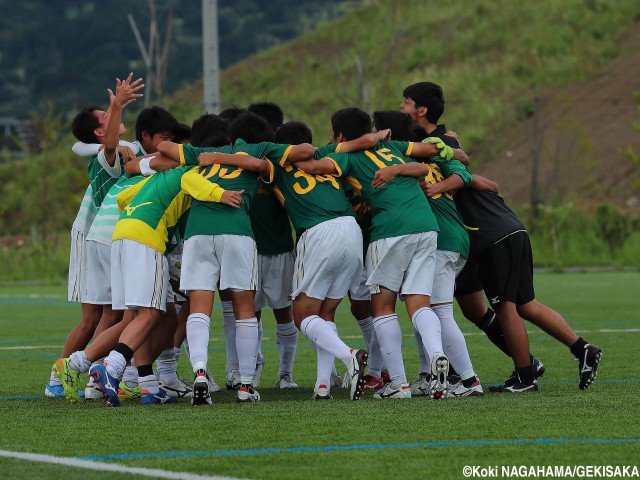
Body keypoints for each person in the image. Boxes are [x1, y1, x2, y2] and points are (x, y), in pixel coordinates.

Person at [403, 81, 602, 392]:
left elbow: (465, 164)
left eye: (406, 102)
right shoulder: (436, 144)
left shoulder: (438, 143)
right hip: (489, 234)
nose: (402, 107)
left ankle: (523, 376)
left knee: (506, 307)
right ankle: (578, 350)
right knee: (481, 306)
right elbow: (488, 183)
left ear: (421, 110)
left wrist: (445, 175)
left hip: (490, 234)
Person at [288, 107, 469, 399]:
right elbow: (425, 161)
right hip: (426, 226)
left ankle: (399, 384)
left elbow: (312, 167)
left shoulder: (345, 155)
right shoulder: (391, 145)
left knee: (383, 308)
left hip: (390, 229)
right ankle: (437, 355)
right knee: (420, 302)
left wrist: (327, 151)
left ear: (340, 135)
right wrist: (410, 162)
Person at [372, 110, 483, 398]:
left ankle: (470, 381)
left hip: (440, 239)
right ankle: (427, 374)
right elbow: (464, 171)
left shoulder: (405, 162)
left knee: (437, 312)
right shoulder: (432, 158)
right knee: (425, 309)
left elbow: (464, 173)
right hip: (452, 237)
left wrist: (431, 190)